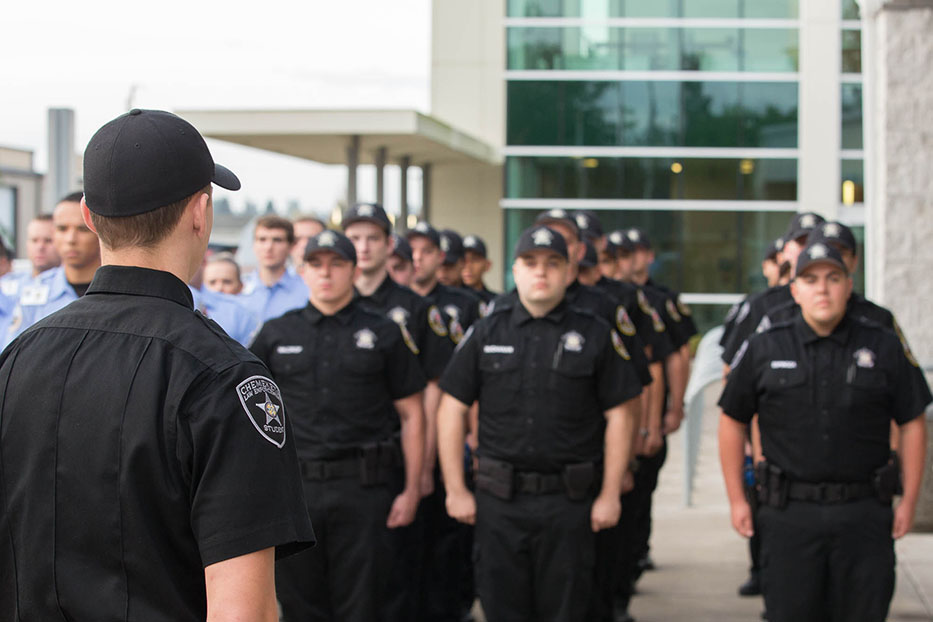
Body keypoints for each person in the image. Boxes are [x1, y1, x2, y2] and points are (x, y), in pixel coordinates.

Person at [0, 108, 315, 620]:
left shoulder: (17, 358)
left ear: (87, 215)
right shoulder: (226, 379)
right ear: (200, 212)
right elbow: (244, 611)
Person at [437, 224, 643, 622]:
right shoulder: (486, 331)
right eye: (530, 263)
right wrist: (455, 488)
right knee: (502, 609)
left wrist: (611, 493)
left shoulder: (596, 333)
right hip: (499, 503)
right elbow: (451, 408)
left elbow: (621, 413)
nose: (541, 272)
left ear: (569, 271)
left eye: (553, 263)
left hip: (569, 503)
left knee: (567, 610)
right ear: (514, 271)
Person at [718, 240, 930, 622]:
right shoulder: (765, 346)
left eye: (833, 278)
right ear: (794, 289)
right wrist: (737, 498)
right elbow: (732, 419)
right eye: (811, 279)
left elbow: (912, 420)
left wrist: (910, 500)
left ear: (849, 285)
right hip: (788, 516)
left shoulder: (882, 344)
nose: (823, 288)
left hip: (864, 514)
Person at [250, 229, 425, 621]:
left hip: (366, 489)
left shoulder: (383, 332)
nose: (326, 273)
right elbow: (248, 413)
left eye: (337, 264)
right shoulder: (278, 333)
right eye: (316, 264)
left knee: (365, 604)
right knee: (300, 603)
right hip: (297, 493)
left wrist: (412, 490)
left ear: (353, 269)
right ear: (303, 270)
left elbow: (413, 413)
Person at [341, 203, 455, 620]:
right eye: (355, 238)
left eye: (373, 238)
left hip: (396, 458)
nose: (364, 247)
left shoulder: (418, 308)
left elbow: (433, 391)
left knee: (402, 574)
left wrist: (422, 466)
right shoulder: (330, 304)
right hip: (344, 463)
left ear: (390, 246)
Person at [3, 194, 102, 347]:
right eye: (62, 229)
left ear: (100, 233)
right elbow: (14, 354)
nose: (71, 239)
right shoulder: (34, 293)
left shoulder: (120, 290)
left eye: (82, 229)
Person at [239, 215, 309, 322]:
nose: (268, 247)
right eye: (262, 239)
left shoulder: (306, 292)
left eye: (277, 240)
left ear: (291, 246)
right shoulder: (239, 290)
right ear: (254, 244)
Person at [0, 212, 61, 298]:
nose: (40, 247)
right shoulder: (8, 284)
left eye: (48, 240)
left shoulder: (72, 286)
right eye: (34, 240)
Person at [461, 233, 496, 309]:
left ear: (487, 265)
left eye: (475, 260)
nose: (468, 266)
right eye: (463, 260)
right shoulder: (447, 299)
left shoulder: (496, 302)